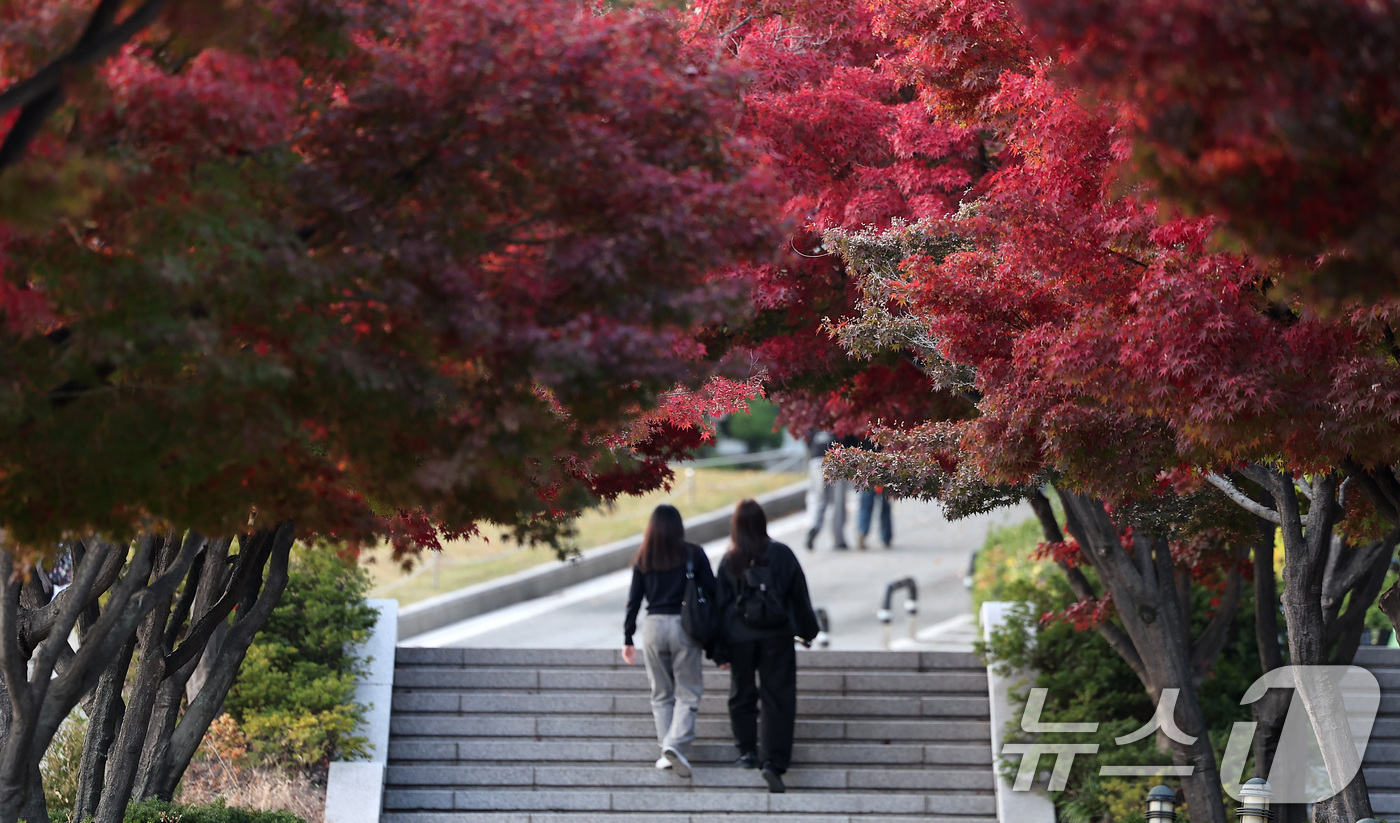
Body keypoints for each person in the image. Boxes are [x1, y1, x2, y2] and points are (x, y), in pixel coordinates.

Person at [713, 499, 821, 794]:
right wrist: (808, 631)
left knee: (742, 693)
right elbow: (799, 595)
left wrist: (719, 649)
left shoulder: (730, 560)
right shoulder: (782, 554)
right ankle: (773, 761)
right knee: (779, 697)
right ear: (764, 522)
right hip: (777, 636)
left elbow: (719, 606)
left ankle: (747, 752)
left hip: (740, 638)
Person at [621, 504, 716, 778]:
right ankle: (674, 746)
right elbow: (712, 589)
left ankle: (667, 749)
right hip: (683, 626)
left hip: (652, 628)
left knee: (661, 694)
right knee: (688, 692)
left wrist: (628, 637)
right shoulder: (693, 554)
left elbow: (634, 600)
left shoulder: (643, 557)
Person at [804, 431, 856, 550]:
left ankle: (814, 525)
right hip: (836, 460)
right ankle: (838, 539)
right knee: (838, 502)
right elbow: (851, 442)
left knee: (818, 498)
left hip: (816, 459)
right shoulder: (843, 423)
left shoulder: (815, 421)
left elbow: (808, 440)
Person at [855, 485, 893, 550]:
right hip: (885, 478)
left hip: (868, 479)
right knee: (885, 507)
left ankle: (862, 531)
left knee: (866, 506)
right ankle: (886, 536)